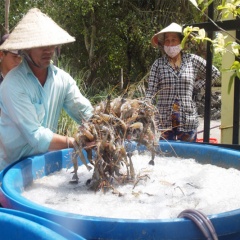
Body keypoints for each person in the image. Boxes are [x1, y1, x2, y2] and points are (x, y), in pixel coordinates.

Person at [0, 8, 93, 171]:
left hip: (46, 165)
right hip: (12, 170)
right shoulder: (12, 84)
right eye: (41, 45)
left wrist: (105, 128)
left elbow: (84, 112)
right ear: (26, 49)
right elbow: (36, 135)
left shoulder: (62, 80)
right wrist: (76, 142)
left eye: (51, 44)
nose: (48, 50)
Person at [146, 22, 220, 142]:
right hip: (164, 120)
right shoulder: (158, 64)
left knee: (188, 155)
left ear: (182, 42)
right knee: (166, 154)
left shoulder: (192, 60)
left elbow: (215, 73)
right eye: (167, 41)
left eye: (174, 40)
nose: (170, 44)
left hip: (188, 119)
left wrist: (196, 86)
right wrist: (145, 109)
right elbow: (151, 92)